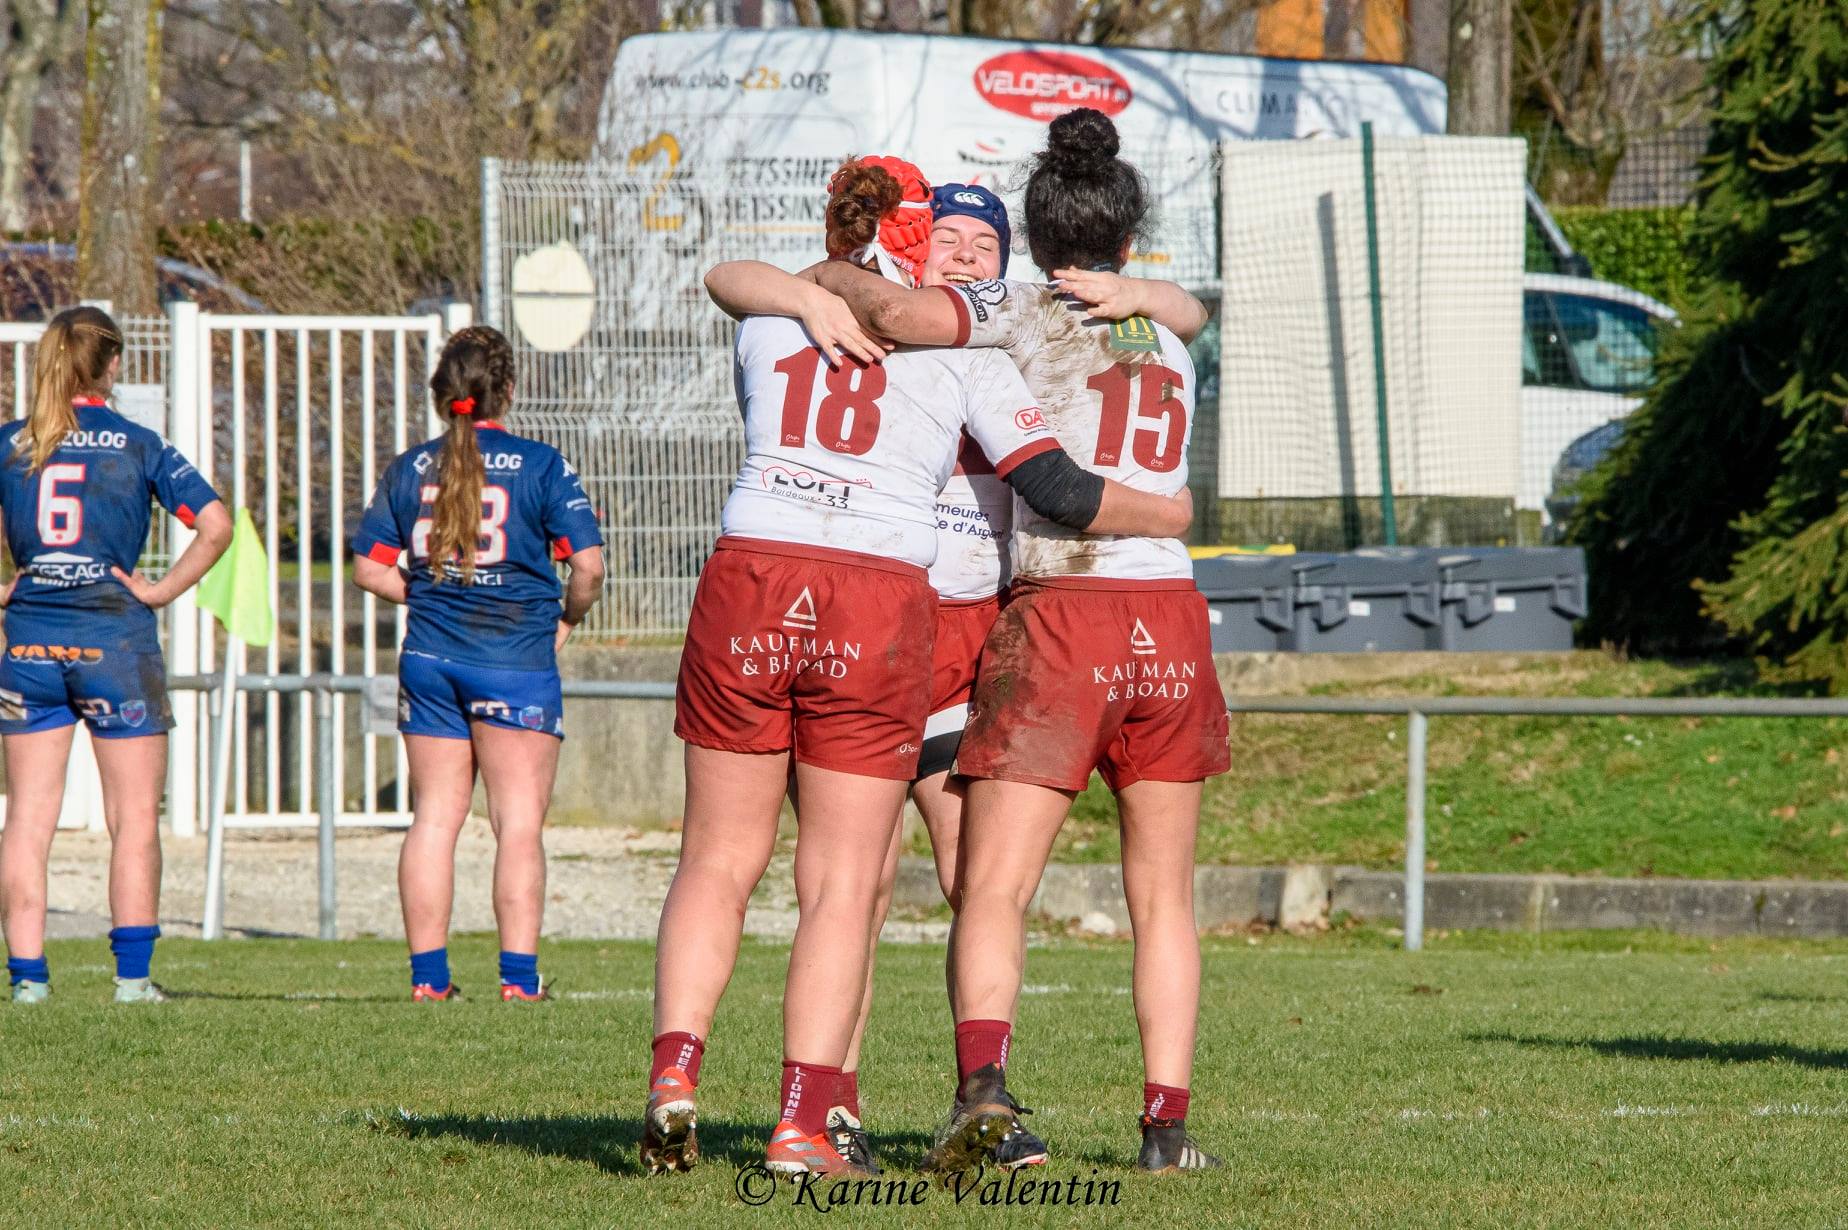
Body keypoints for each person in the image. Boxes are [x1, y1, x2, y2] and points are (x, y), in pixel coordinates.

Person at [648, 155, 1194, 1180]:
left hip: (939, 642)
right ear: (917, 240)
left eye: (987, 247)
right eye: (952, 239)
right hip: (886, 614)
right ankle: (828, 1111)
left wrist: (1138, 298)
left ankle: (973, 1098)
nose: (969, 256)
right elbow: (1077, 462)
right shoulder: (947, 335)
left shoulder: (997, 332)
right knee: (851, 885)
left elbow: (734, 277)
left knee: (958, 876)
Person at [807, 109, 1230, 1173]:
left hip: (1068, 605)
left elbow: (902, 314)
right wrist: (1156, 293)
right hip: (1172, 619)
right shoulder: (1166, 327)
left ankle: (982, 1092)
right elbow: (1193, 308)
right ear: (1126, 245)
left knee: (992, 886)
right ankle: (1167, 1130)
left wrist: (835, 280)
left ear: (1037, 244)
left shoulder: (1026, 308)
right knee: (1163, 896)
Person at [351, 325, 605, 1004]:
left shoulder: (409, 468)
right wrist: (568, 618)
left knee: (436, 816)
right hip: (515, 658)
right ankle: (519, 982)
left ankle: (429, 981)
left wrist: (433, 591)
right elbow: (588, 566)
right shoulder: (542, 464)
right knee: (517, 824)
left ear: (443, 393)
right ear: (509, 391)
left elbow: (368, 570)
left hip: (430, 658)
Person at [0, 305, 231, 1005]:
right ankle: (132, 981)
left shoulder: (13, 443)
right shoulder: (137, 443)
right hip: (115, 642)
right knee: (132, 818)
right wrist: (159, 590)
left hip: (29, 644)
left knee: (27, 818)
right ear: (113, 365)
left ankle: (29, 982)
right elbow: (216, 525)